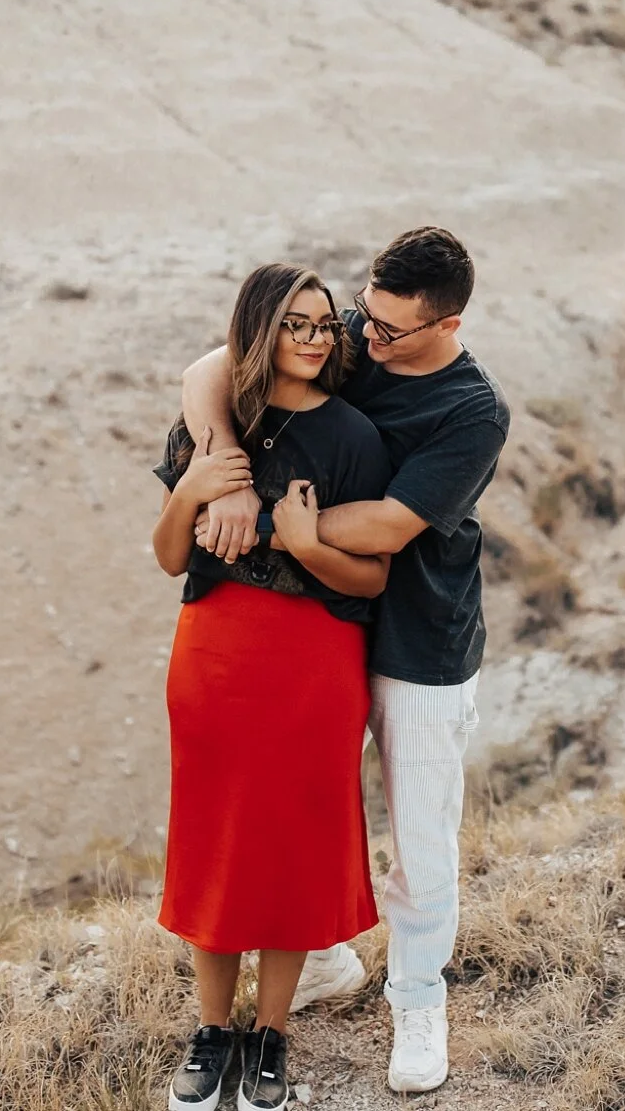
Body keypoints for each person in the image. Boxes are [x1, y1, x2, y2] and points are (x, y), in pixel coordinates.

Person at [183, 227, 511, 1094]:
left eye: (391, 329)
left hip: (418, 642)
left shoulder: (474, 411)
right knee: (297, 808)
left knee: (421, 839)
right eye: (365, 312)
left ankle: (418, 1001)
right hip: (321, 635)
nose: (367, 336)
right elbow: (209, 369)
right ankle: (324, 960)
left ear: (448, 324)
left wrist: (276, 525)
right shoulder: (357, 338)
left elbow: (391, 525)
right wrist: (228, 475)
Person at [150, 262, 395, 1111]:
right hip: (213, 658)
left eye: (325, 324)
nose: (316, 338)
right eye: (297, 323)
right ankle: (211, 1031)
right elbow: (170, 556)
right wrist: (192, 488)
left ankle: (272, 1036)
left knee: (291, 846)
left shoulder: (355, 436)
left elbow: (372, 577)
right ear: (260, 327)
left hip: (316, 664)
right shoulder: (218, 428)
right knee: (214, 839)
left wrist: (305, 541)